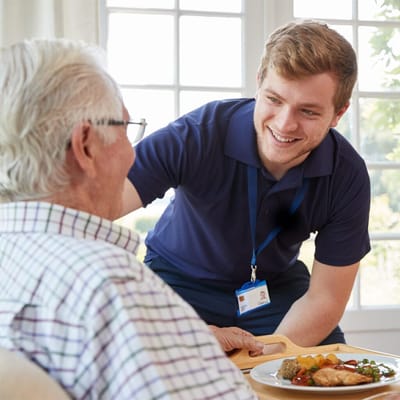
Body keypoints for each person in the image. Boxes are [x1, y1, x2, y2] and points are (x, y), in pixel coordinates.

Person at [0, 38, 259, 399]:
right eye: (125, 128)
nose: (133, 156)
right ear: (86, 145)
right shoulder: (107, 283)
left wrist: (174, 340)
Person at [122, 20, 371, 350]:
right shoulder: (198, 134)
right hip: (177, 281)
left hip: (274, 289)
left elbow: (325, 298)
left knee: (325, 377)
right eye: (274, 99)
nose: (284, 124)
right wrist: (183, 337)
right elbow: (93, 202)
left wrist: (268, 357)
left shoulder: (347, 174)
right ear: (259, 84)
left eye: (308, 111)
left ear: (339, 113)